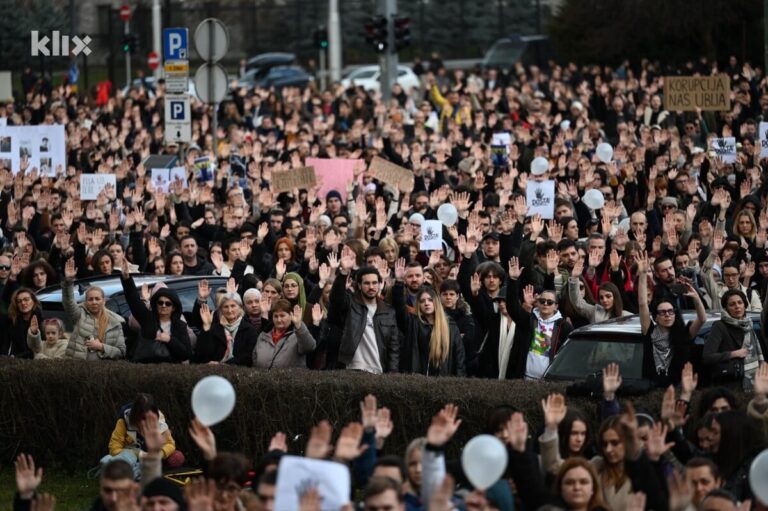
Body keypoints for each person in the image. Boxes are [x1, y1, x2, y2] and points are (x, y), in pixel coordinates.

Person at [637, 251, 706, 385]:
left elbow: (702, 319)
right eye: (662, 312)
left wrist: (696, 297)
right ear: (656, 317)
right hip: (652, 386)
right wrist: (643, 274)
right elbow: (642, 304)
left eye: (670, 311)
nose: (667, 315)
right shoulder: (649, 331)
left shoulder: (683, 333)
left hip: (678, 386)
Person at [329, 246, 400, 373]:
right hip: (352, 369)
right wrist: (344, 272)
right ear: (360, 286)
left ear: (379, 284)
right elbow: (336, 299)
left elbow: (393, 346)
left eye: (374, 283)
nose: (371, 287)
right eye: (367, 283)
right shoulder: (350, 304)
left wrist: (393, 374)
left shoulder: (388, 311)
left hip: (378, 371)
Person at [393, 258, 465, 376]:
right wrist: (399, 282)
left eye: (430, 300)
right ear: (418, 305)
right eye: (422, 301)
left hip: (444, 381)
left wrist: (459, 382)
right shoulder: (412, 322)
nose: (426, 303)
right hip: (417, 380)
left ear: (436, 302)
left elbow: (459, 358)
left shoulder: (450, 325)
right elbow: (399, 310)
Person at [506, 256, 573, 380]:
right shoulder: (529, 319)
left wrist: (550, 274)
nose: (545, 304)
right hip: (524, 379)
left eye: (549, 302)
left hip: (548, 383)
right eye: (542, 301)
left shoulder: (564, 326)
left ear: (556, 306)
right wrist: (513, 280)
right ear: (537, 303)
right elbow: (512, 307)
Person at [120, 265, 192, 363]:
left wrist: (170, 340)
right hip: (145, 370)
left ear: (174, 307)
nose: (163, 305)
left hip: (170, 371)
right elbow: (133, 301)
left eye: (168, 303)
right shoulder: (147, 319)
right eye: (160, 302)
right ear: (155, 304)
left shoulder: (180, 326)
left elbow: (186, 354)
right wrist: (127, 279)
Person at [102, 394, 185, 480]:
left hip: (154, 458)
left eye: (150, 419)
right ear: (134, 416)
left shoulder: (159, 421)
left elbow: (170, 444)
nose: (146, 424)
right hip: (132, 459)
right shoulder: (123, 422)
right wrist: (136, 454)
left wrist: (160, 454)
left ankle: (161, 471)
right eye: (142, 419)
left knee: (177, 457)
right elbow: (113, 448)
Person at [61, 258, 126, 360]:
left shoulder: (115, 323)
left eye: (97, 299)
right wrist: (68, 282)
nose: (94, 302)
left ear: (104, 301)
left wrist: (101, 347)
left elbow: (121, 352)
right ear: (86, 302)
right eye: (90, 299)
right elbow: (68, 302)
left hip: (102, 372)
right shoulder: (80, 314)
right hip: (76, 369)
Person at [703, 289, 766, 389]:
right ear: (726, 308)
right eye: (732, 304)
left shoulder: (749, 325)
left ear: (745, 305)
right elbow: (707, 357)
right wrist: (733, 354)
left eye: (740, 303)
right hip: (730, 385)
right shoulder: (719, 326)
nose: (737, 307)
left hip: (754, 384)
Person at [196, 292, 259, 366]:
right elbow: (202, 355)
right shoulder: (214, 329)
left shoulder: (249, 330)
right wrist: (206, 326)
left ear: (240, 307)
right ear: (221, 310)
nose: (229, 310)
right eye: (226, 307)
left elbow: (249, 356)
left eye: (233, 306)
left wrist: (223, 365)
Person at [253, 299, 318, 369]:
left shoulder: (299, 335)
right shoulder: (263, 335)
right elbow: (255, 358)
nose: (279, 320)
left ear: (290, 316)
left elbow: (310, 347)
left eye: (282, 315)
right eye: (276, 316)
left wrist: (299, 325)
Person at [0, 288, 43, 358]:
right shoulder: (10, 322)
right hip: (13, 361)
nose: (23, 303)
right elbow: (5, 345)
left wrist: (34, 333)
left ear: (34, 301)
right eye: (19, 301)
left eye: (26, 299)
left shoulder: (42, 321)